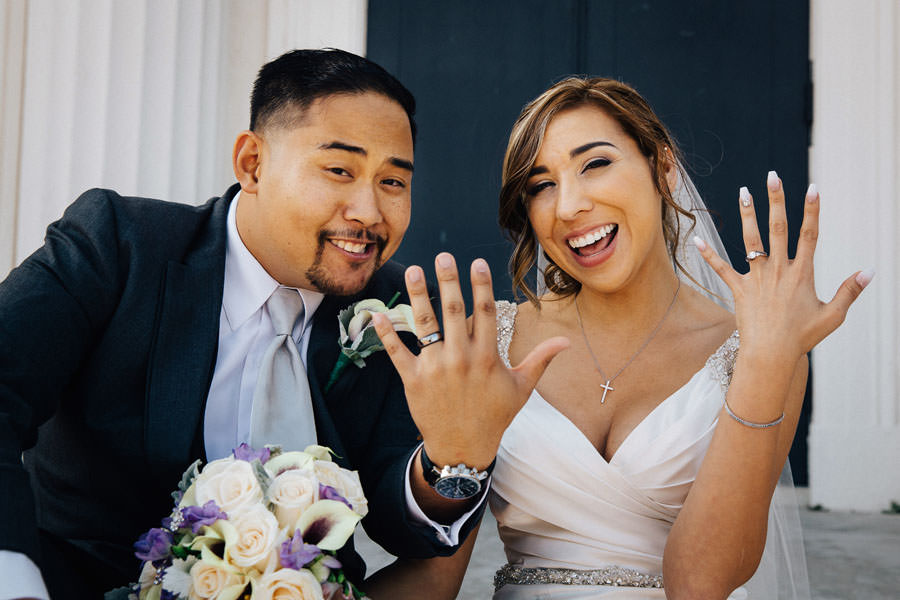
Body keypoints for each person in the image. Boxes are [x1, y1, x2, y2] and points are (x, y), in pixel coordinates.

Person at [0, 49, 487, 599]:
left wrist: (453, 459)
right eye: (339, 170)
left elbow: (403, 526)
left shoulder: (400, 309)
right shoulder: (119, 246)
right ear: (252, 163)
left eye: (393, 182)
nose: (369, 212)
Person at [371, 77, 871, 598]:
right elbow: (434, 575)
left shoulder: (758, 351)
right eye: (541, 185)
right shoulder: (489, 339)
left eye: (595, 164)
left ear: (663, 167)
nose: (568, 207)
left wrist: (767, 360)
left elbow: (700, 583)